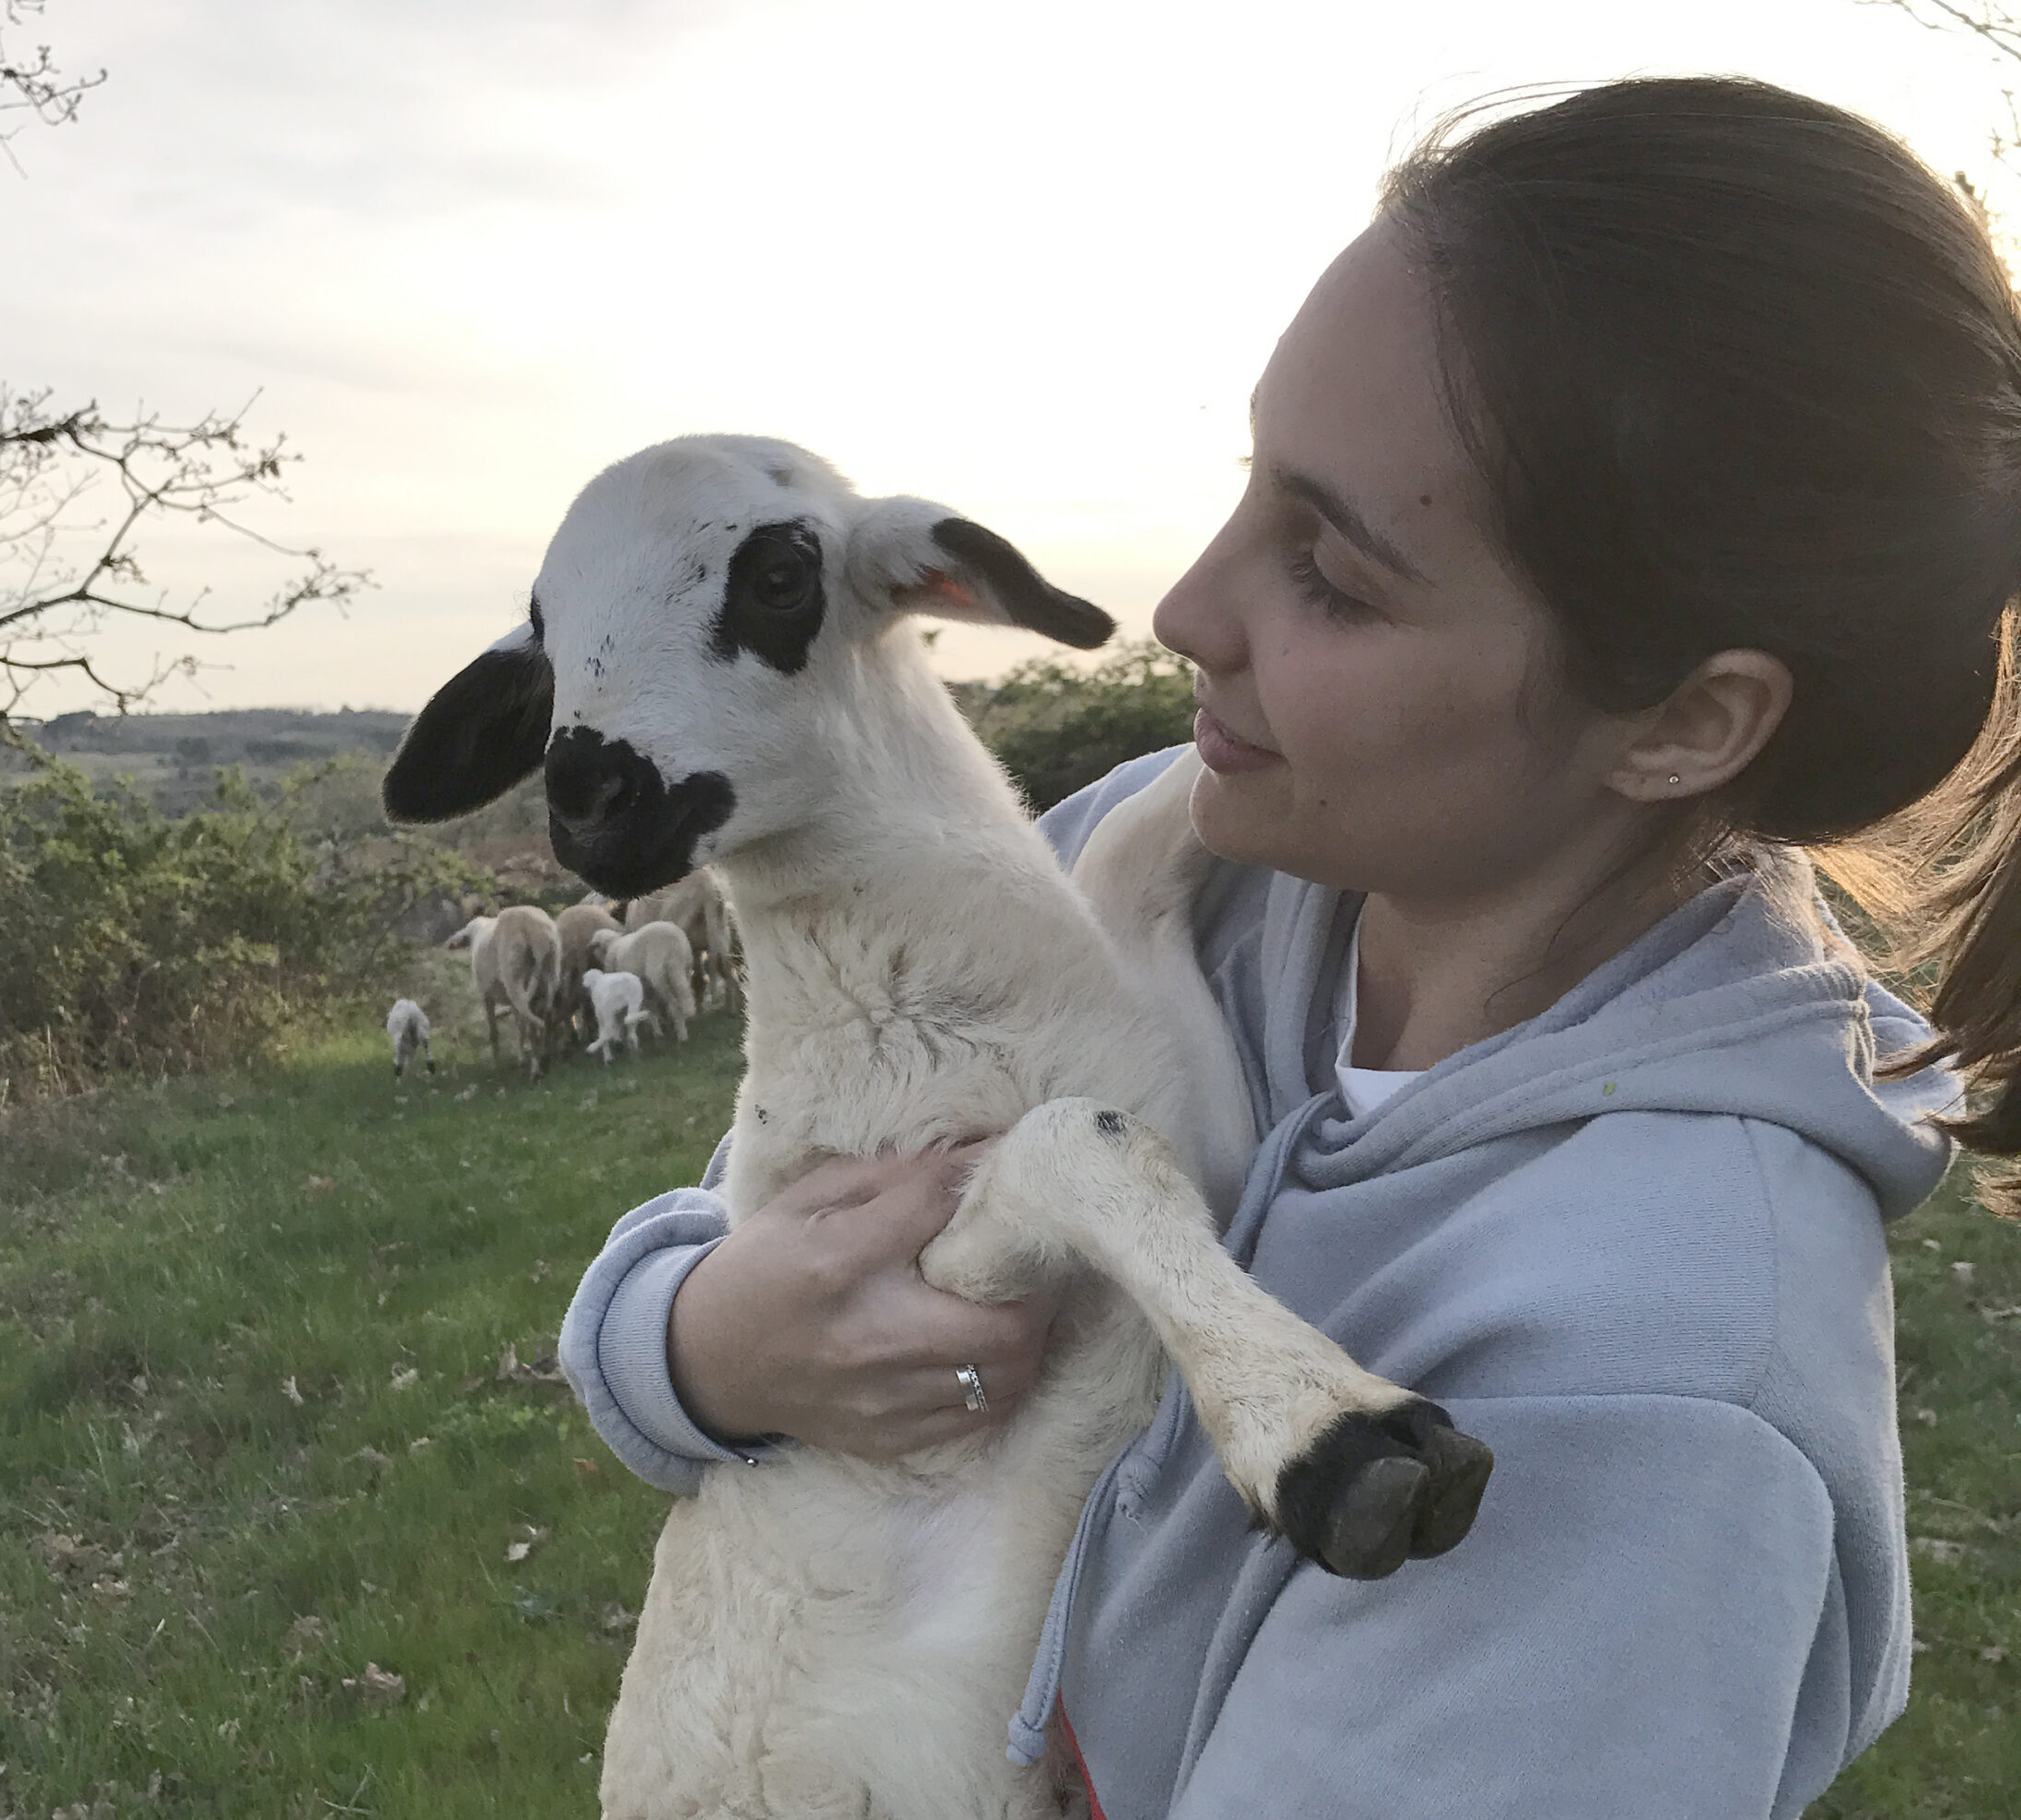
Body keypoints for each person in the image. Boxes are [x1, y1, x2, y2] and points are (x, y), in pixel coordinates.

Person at [562, 76, 2021, 1817]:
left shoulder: (1646, 1403)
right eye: (1249, 482)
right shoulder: (1175, 853)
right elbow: (764, 1189)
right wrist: (703, 1344)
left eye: (1327, 569)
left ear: (1689, 722)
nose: (1186, 604)